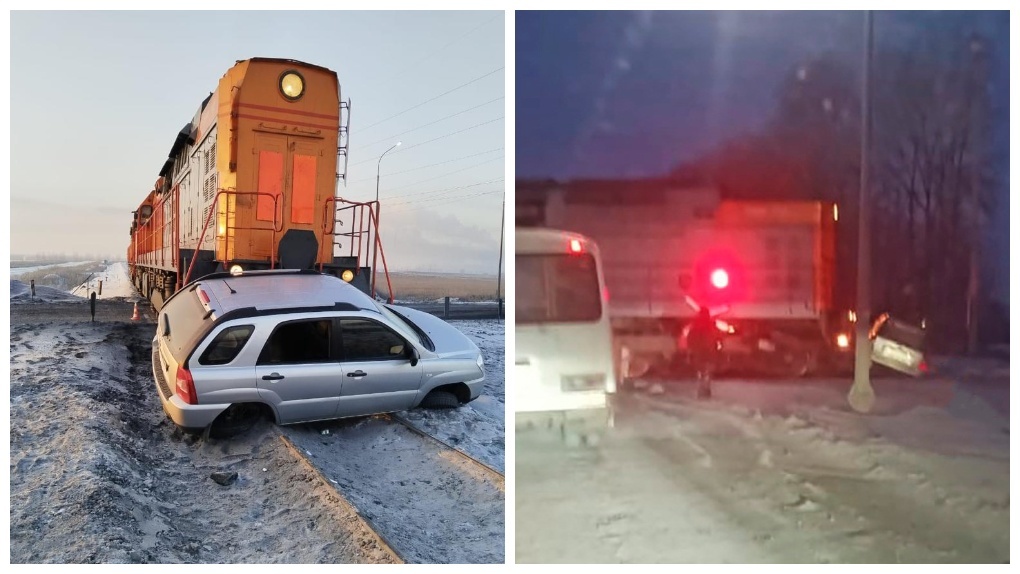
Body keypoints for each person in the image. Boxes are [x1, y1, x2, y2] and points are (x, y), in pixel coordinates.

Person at [687, 306, 721, 399]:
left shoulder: (695, 326)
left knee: (700, 369)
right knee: (708, 370)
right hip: (710, 351)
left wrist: (691, 349)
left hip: (698, 351)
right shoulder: (712, 325)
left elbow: (690, 338)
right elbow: (718, 337)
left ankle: (701, 386)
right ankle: (706, 386)